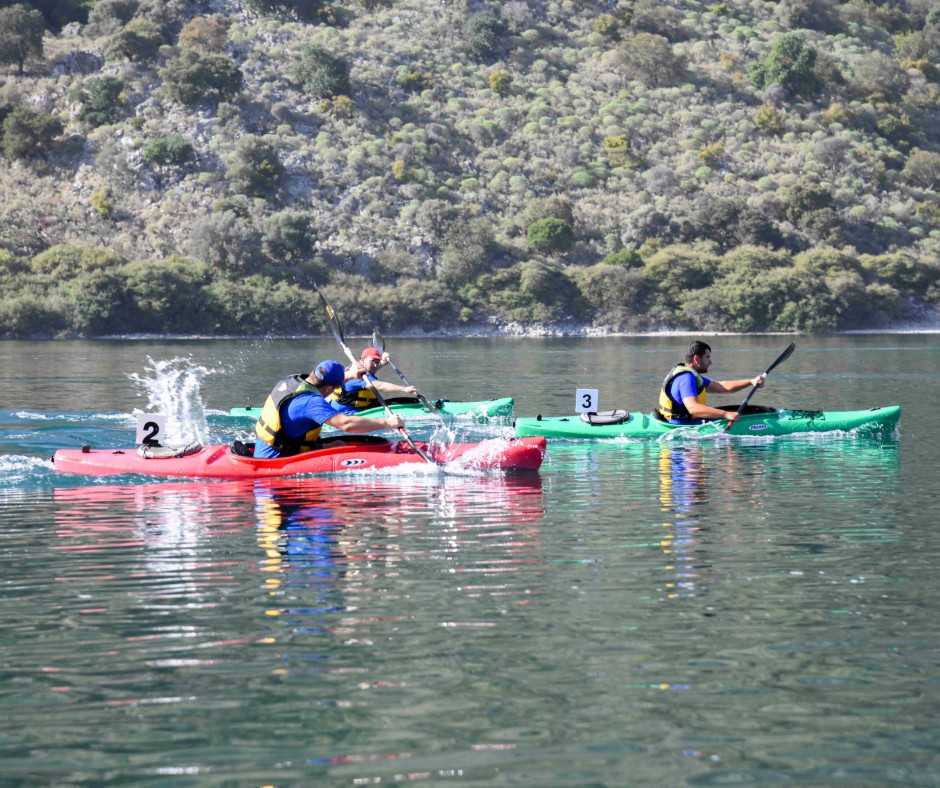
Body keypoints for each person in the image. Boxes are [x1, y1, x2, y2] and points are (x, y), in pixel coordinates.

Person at [251, 360, 404, 459]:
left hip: (272, 447)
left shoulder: (294, 380)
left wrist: (350, 374)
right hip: (277, 460)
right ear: (329, 388)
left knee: (338, 444)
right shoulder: (311, 403)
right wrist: (387, 423)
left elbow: (325, 382)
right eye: (335, 388)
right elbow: (346, 425)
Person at [658, 340, 767, 425]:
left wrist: (751, 381)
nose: (710, 362)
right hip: (683, 426)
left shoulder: (691, 375)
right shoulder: (686, 378)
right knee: (737, 415)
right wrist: (726, 414)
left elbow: (721, 386)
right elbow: (693, 408)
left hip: (687, 421)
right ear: (696, 359)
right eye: (707, 357)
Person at [327, 346, 417, 414]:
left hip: (360, 409)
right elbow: (380, 386)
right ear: (363, 359)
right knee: (395, 407)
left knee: (395, 403)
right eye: (373, 361)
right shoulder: (358, 375)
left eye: (377, 362)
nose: (375, 365)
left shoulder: (360, 368)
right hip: (348, 414)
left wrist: (384, 362)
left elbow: (373, 368)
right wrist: (404, 389)